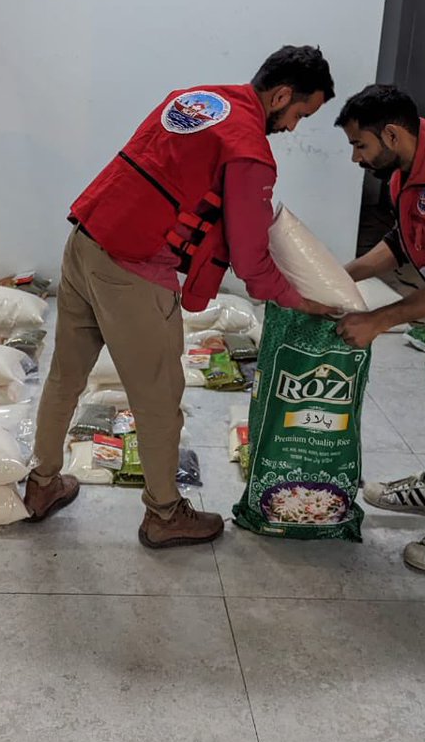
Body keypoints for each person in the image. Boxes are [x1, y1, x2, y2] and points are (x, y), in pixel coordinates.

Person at [24, 45, 335, 549]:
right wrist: (303, 299)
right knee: (158, 399)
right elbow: (254, 264)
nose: (295, 127)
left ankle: (40, 486)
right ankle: (165, 514)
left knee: (65, 375)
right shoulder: (249, 149)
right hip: (133, 270)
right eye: (300, 113)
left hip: (85, 239)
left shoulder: (195, 98)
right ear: (280, 95)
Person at [335, 84, 425, 575]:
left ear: (391, 133)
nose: (357, 158)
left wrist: (377, 321)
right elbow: (403, 241)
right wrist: (342, 275)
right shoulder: (406, 169)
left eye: (360, 146)